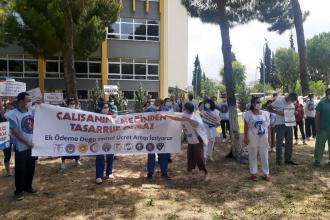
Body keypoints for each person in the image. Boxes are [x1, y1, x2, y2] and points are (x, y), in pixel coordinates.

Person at [5, 92, 37, 200]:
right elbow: (16, 133)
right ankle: (18, 191)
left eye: (30, 100)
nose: (30, 102)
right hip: (21, 147)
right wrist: (27, 143)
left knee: (31, 168)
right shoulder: (11, 115)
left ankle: (28, 186)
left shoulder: (31, 111)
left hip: (32, 147)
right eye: (28, 100)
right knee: (20, 169)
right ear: (21, 101)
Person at [165, 102, 209, 180]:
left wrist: (187, 119)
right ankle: (190, 172)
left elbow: (196, 124)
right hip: (191, 140)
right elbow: (176, 117)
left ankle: (205, 173)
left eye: (183, 107)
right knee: (190, 156)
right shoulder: (184, 115)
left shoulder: (194, 117)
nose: (182, 108)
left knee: (199, 157)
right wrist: (166, 115)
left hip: (197, 140)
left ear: (186, 109)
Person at [244, 97, 271, 181]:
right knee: (252, 155)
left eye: (260, 102)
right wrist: (245, 137)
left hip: (264, 138)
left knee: (264, 155)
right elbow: (246, 127)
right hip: (252, 137)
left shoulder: (266, 113)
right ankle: (253, 173)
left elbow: (268, 127)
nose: (259, 104)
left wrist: (269, 138)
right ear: (252, 104)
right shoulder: (248, 114)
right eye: (257, 102)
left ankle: (266, 174)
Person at [268, 92, 298, 165]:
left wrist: (295, 113)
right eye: (292, 99)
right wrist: (278, 112)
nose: (292, 101)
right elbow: (268, 107)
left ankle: (288, 159)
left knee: (289, 142)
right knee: (279, 142)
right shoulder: (279, 100)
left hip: (289, 124)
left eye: (294, 100)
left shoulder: (291, 104)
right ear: (289, 97)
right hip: (280, 124)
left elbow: (291, 113)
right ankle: (279, 160)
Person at [146, 99, 170, 180]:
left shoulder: (166, 110)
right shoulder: (149, 109)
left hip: (162, 136)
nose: (157, 105)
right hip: (151, 136)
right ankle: (150, 173)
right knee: (151, 155)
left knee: (164, 155)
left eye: (159, 104)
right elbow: (143, 119)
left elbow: (170, 119)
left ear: (162, 105)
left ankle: (164, 173)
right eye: (156, 104)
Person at [95, 102, 115, 184]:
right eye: (104, 107)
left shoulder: (112, 115)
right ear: (100, 108)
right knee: (100, 157)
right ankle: (99, 176)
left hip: (110, 139)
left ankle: (109, 172)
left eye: (107, 107)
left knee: (110, 156)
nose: (106, 109)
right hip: (99, 139)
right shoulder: (95, 117)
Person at [61, 98, 83, 169]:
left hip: (76, 132)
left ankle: (77, 160)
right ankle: (63, 162)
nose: (72, 105)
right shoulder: (64, 110)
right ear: (68, 104)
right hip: (66, 132)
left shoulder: (78, 110)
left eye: (73, 103)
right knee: (65, 146)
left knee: (76, 145)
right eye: (71, 103)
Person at [313, 88, 330, 166]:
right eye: (328, 94)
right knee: (319, 145)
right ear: (326, 94)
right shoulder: (321, 103)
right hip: (322, 128)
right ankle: (317, 160)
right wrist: (316, 127)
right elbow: (317, 115)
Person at [2, 101, 16, 176]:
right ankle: (8, 172)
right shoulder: (3, 117)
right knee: (7, 155)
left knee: (18, 154)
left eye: (12, 108)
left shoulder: (16, 117)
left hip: (16, 138)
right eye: (8, 108)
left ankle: (17, 169)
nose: (10, 110)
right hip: (6, 139)